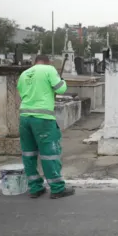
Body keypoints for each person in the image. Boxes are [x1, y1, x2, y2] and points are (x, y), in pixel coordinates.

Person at [17, 55, 75, 199]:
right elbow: (60, 89)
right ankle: (57, 188)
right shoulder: (49, 69)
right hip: (42, 118)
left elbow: (22, 92)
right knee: (49, 153)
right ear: (48, 62)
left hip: (24, 117)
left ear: (34, 62)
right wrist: (62, 81)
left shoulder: (24, 74)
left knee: (29, 154)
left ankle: (35, 188)